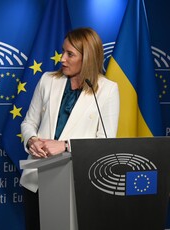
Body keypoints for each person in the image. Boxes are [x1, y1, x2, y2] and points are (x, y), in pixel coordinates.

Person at [20, 27, 120, 229]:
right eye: (63, 51)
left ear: (88, 57)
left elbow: (105, 143)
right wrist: (32, 140)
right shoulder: (48, 80)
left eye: (70, 54)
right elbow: (28, 123)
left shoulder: (108, 90)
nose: (62, 59)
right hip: (37, 179)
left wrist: (65, 146)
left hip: (76, 184)